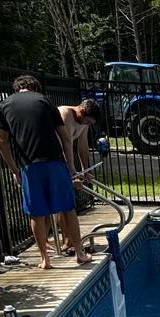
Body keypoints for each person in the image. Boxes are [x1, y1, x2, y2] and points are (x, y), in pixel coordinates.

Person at [0, 75, 91, 270]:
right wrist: (71, 168)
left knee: (37, 214)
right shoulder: (44, 101)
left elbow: (0, 142)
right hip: (54, 162)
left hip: (29, 166)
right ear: (35, 88)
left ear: (17, 88)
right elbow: (65, 138)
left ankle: (45, 259)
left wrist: (14, 169)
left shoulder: (4, 106)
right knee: (67, 209)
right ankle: (80, 253)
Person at [57, 98, 101, 253]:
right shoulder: (64, 114)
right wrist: (72, 172)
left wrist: (85, 169)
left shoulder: (83, 122)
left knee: (64, 202)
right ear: (80, 111)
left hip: (63, 160)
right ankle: (66, 241)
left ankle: (67, 241)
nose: (87, 125)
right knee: (62, 203)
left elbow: (82, 146)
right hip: (52, 158)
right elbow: (65, 144)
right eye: (87, 121)